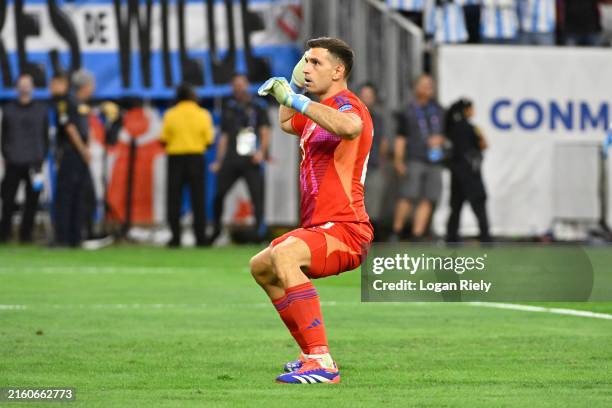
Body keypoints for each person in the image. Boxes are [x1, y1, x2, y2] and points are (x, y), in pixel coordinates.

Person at [254, 37, 373, 384]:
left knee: (286, 256)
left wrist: (295, 98)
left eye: (315, 63)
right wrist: (289, 88)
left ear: (339, 71)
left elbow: (350, 127)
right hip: (322, 228)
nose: (307, 68)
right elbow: (288, 123)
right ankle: (308, 354)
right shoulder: (316, 112)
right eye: (305, 61)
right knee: (261, 267)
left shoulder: (350, 105)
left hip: (347, 230)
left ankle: (322, 363)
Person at [209, 73, 270, 244]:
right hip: (231, 159)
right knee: (219, 195)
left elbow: (265, 131)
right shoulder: (229, 108)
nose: (239, 88)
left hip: (251, 159)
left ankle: (259, 234)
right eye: (235, 85)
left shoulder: (258, 106)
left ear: (247, 85)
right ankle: (216, 230)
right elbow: (224, 136)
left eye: (241, 84)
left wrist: (261, 152)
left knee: (257, 197)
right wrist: (219, 161)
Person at [391, 74, 446, 241]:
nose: (428, 87)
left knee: (429, 197)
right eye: (423, 84)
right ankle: (397, 231)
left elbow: (446, 133)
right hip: (414, 158)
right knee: (408, 195)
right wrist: (398, 160)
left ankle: (417, 234)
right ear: (415, 88)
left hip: (434, 160)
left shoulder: (440, 110)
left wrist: (440, 139)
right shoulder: (407, 111)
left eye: (430, 84)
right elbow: (401, 138)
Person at [160, 83, 214, 247]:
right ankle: (200, 238)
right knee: (198, 199)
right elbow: (209, 140)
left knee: (174, 199)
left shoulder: (170, 114)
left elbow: (164, 139)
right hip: (196, 158)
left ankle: (175, 237)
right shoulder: (203, 114)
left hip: (175, 158)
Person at [0, 74, 49, 243]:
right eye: (21, 85)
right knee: (8, 200)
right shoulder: (8, 110)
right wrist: (7, 154)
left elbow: (45, 136)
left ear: (33, 87)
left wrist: (42, 156)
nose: (24, 88)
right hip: (13, 161)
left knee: (32, 200)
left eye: (27, 84)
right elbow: (4, 135)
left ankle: (26, 235)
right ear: (16, 88)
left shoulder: (41, 110)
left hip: (35, 163)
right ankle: (4, 234)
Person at [53, 70, 95, 247]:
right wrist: (83, 150)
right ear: (85, 86)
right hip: (71, 153)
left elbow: (86, 128)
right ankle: (63, 237)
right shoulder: (66, 101)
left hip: (80, 154)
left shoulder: (82, 104)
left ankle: (76, 237)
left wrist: (87, 148)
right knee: (66, 195)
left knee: (80, 195)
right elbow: (69, 128)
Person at [445, 98, 491, 242]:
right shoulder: (471, 128)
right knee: (479, 202)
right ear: (466, 110)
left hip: (457, 171)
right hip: (471, 172)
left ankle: (451, 236)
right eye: (471, 109)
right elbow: (484, 145)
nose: (473, 112)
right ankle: (485, 235)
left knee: (456, 205)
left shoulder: (451, 128)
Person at [358, 82, 389, 236]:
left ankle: (372, 236)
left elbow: (383, 142)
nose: (366, 99)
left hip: (374, 165)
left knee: (374, 203)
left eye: (369, 96)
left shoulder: (378, 119)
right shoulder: (350, 116)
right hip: (354, 168)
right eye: (363, 96)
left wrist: (382, 164)